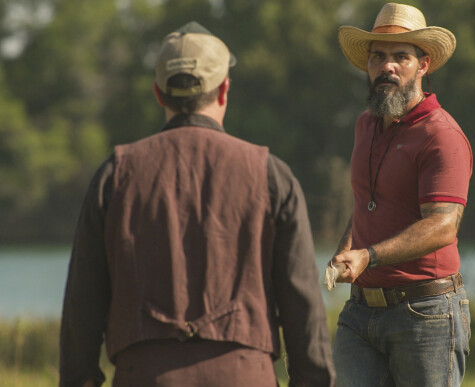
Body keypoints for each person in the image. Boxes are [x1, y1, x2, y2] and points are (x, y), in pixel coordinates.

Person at [59, 21, 335, 387]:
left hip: (144, 377)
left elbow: (83, 305)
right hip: (244, 376)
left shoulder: (115, 175)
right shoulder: (271, 174)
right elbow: (303, 305)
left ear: (158, 93)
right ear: (224, 90)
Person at [328, 3, 473, 386]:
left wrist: (369, 255)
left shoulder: (442, 136)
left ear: (423, 64)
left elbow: (442, 226)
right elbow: (366, 201)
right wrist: (348, 248)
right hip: (360, 313)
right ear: (367, 65)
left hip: (426, 312)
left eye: (400, 57)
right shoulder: (365, 124)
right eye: (378, 57)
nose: (386, 66)